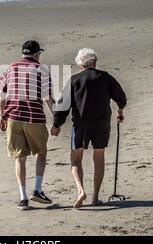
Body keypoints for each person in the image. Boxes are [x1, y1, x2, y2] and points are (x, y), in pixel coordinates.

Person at [51, 48, 127, 208]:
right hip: (101, 123)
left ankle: (80, 190)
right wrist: (119, 113)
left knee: (75, 159)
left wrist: (57, 124)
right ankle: (95, 197)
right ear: (95, 63)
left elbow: (63, 105)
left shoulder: (74, 80)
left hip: (80, 124)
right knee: (99, 158)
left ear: (80, 66)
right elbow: (121, 97)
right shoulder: (105, 77)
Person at [0, 40, 55, 210]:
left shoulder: (11, 67)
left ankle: (23, 198)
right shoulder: (41, 69)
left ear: (23, 53)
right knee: (40, 152)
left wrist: (3, 116)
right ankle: (37, 189)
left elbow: (1, 95)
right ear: (37, 54)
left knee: (20, 158)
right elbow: (48, 97)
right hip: (34, 118)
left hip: (13, 118)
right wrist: (57, 120)